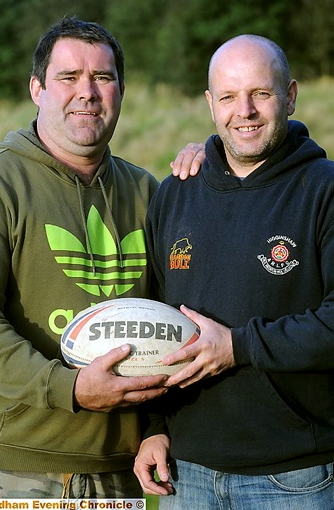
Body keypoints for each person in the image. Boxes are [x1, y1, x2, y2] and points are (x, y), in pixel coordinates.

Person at [0, 16, 204, 499]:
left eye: (103, 77)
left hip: (119, 471)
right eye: (68, 77)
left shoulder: (150, 192)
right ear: (37, 88)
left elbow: (182, 316)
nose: (88, 92)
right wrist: (69, 388)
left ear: (120, 90)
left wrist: (159, 426)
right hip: (10, 471)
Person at [134, 34, 334, 509]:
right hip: (188, 473)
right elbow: (156, 320)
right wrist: (156, 428)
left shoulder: (323, 191)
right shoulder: (176, 193)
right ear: (210, 103)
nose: (243, 111)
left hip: (295, 476)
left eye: (260, 93)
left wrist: (238, 346)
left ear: (289, 95)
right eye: (227, 96)